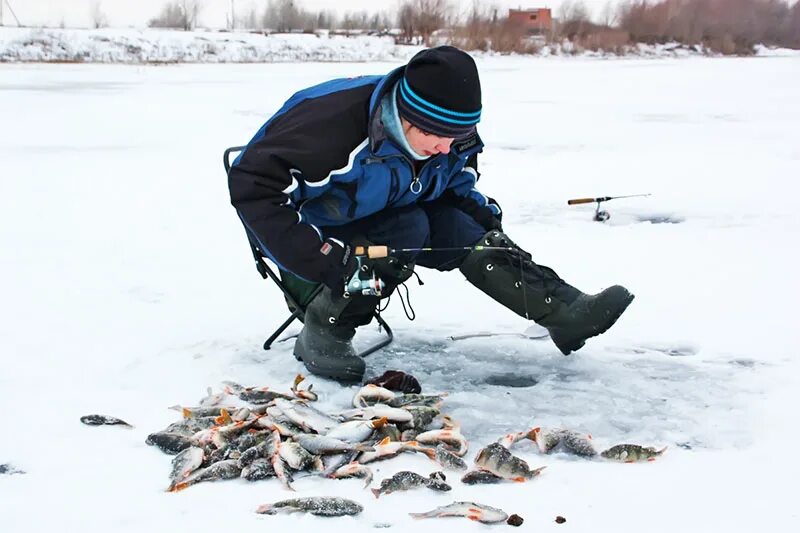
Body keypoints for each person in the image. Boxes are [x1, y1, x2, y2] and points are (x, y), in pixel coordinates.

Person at [228, 46, 634, 384]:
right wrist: (318, 258)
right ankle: (326, 328)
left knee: (464, 227)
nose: (447, 148)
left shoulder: (450, 135)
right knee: (407, 227)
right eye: (437, 137)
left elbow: (453, 182)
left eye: (456, 138)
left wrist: (482, 221)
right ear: (404, 117)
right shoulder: (327, 124)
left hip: (384, 214)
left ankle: (562, 312)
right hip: (311, 249)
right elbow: (253, 187)